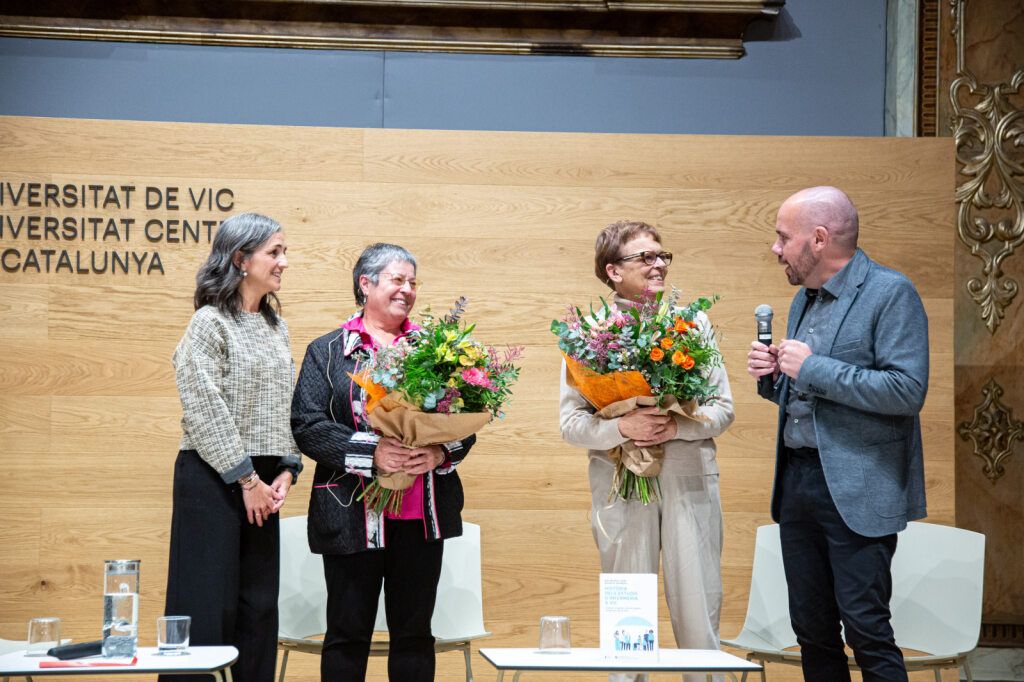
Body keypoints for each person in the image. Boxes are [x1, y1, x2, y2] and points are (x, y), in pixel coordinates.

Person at [746, 186, 928, 681]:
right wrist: (775, 380)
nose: (776, 248)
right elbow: (808, 396)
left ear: (820, 239)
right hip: (798, 483)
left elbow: (907, 390)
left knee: (867, 630)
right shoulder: (803, 300)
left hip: (857, 487)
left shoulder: (891, 293)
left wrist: (813, 369)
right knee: (812, 631)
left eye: (783, 237)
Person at [291, 242, 476, 682]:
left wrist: (438, 451)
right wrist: (371, 453)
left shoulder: (437, 350)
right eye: (398, 279)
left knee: (414, 635)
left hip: (422, 514)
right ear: (366, 283)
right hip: (350, 513)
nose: (407, 290)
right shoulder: (329, 351)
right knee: (347, 634)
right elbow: (307, 424)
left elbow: (466, 424)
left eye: (413, 282)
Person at [560, 220, 734, 682]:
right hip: (621, 486)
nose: (659, 264)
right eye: (645, 257)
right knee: (627, 624)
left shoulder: (692, 322)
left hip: (689, 480)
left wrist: (675, 425)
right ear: (613, 270)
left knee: (699, 616)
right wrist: (623, 426)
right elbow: (571, 425)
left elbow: (723, 409)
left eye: (662, 256)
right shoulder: (589, 333)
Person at [163, 212, 301, 682]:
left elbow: (284, 403)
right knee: (206, 608)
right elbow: (204, 407)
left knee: (259, 609)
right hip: (213, 478)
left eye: (283, 251)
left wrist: (285, 469)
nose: (285, 261)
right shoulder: (208, 323)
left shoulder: (275, 326)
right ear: (241, 259)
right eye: (275, 252)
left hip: (264, 483)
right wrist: (245, 478)